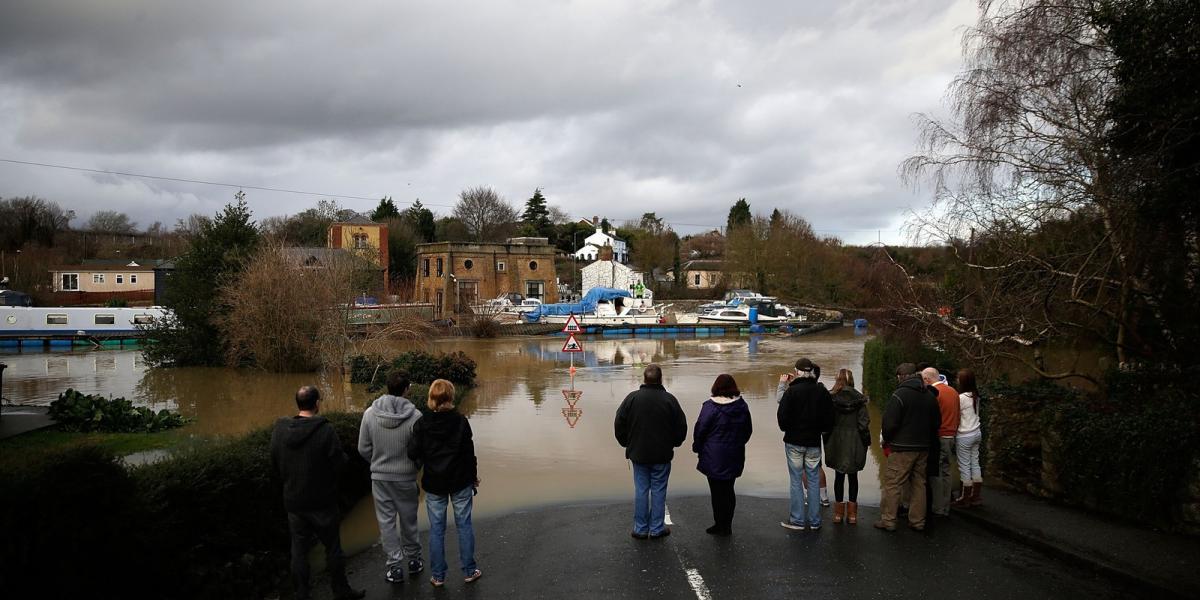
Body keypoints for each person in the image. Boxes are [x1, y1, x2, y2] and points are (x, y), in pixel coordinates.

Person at [270, 386, 365, 600]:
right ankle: (341, 589)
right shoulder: (325, 430)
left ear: (298, 404)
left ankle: (302, 593)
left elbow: (274, 464)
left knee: (299, 550)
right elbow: (339, 464)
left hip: (294, 502)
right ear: (317, 404)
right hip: (323, 501)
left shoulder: (280, 430)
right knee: (332, 547)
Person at [407, 379, 481, 587]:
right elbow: (469, 454)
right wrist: (473, 477)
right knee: (464, 526)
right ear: (451, 397)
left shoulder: (422, 423)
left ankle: (438, 576)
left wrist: (427, 460)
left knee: (437, 530)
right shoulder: (461, 421)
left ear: (431, 398)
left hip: (434, 482)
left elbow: (412, 452)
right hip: (460, 481)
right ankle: (469, 570)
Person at [358, 371, 423, 583]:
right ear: (406, 389)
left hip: (380, 478)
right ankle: (414, 560)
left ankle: (395, 567)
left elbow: (363, 448)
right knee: (409, 520)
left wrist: (377, 464)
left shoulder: (369, 414)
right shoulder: (416, 417)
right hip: (405, 477)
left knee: (386, 522)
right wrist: (413, 466)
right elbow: (420, 451)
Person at [614, 363, 688, 539]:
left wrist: (627, 443)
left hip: (638, 453)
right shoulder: (670, 400)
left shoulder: (631, 399)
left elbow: (619, 423)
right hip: (662, 454)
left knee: (641, 489)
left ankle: (640, 529)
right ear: (660, 379)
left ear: (644, 379)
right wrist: (675, 443)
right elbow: (681, 427)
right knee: (659, 490)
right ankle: (656, 528)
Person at [875, 364, 941, 532]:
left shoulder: (899, 395)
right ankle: (918, 521)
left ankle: (889, 520)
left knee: (893, 483)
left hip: (902, 447)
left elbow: (889, 424)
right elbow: (937, 423)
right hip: (924, 447)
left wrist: (888, 441)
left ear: (901, 377)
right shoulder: (929, 395)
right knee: (920, 483)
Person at [692, 373, 753, 536]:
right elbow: (748, 430)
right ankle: (727, 525)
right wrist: (738, 443)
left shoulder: (709, 407)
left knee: (717, 491)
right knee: (729, 489)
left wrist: (697, 448)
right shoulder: (742, 406)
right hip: (734, 453)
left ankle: (719, 524)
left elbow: (700, 430)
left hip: (714, 455)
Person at [777, 357, 834, 530]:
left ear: (797, 372)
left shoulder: (791, 391)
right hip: (814, 442)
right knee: (814, 479)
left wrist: (790, 429)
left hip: (794, 441)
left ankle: (798, 520)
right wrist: (819, 430)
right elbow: (829, 419)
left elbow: (782, 419)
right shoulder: (821, 391)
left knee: (796, 481)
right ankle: (815, 521)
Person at [823, 369, 870, 525]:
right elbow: (863, 424)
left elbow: (827, 422)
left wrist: (828, 438)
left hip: (836, 441)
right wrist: (866, 442)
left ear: (838, 380)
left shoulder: (831, 398)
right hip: (855, 441)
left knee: (839, 476)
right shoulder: (860, 399)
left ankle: (838, 514)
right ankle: (852, 515)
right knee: (853, 476)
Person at [925, 367, 960, 516]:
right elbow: (958, 414)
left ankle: (938, 508)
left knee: (936, 473)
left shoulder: (934, 394)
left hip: (939, 437)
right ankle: (946, 505)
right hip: (951, 436)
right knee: (947, 471)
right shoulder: (953, 391)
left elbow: (930, 418)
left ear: (927, 379)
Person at [953, 368, 984, 507]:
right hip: (977, 433)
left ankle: (964, 499)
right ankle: (975, 496)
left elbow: (956, 415)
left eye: (958, 379)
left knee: (964, 466)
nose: (956, 381)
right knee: (975, 463)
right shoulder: (976, 395)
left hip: (965, 435)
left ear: (963, 382)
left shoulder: (961, 398)